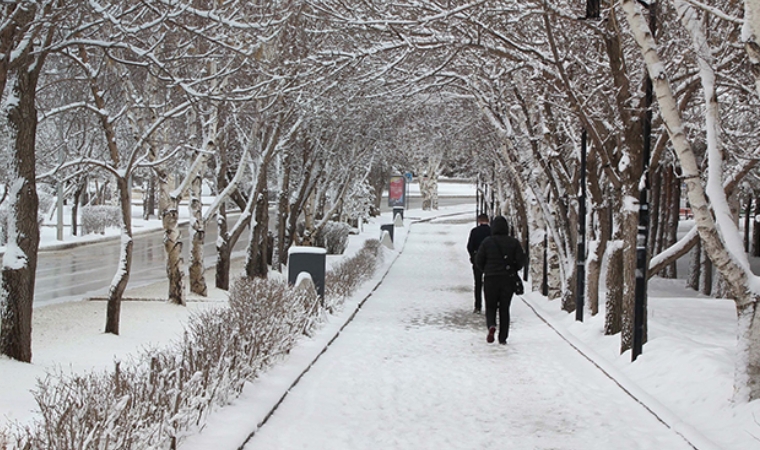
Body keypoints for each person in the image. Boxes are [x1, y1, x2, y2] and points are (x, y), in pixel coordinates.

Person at [475, 215, 526, 344]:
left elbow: (479, 260)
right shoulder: (513, 242)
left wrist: (486, 270)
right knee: (504, 308)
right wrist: (513, 268)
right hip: (507, 279)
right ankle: (503, 337)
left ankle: (491, 325)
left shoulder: (487, 242)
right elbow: (521, 261)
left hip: (491, 279)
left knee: (490, 306)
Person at [466, 214, 491, 313]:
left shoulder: (474, 232)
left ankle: (478, 306)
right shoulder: (491, 231)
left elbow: (469, 246)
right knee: (491, 284)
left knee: (478, 283)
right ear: (488, 221)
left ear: (479, 221)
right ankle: (491, 305)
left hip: (478, 259)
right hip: (490, 260)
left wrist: (473, 256)